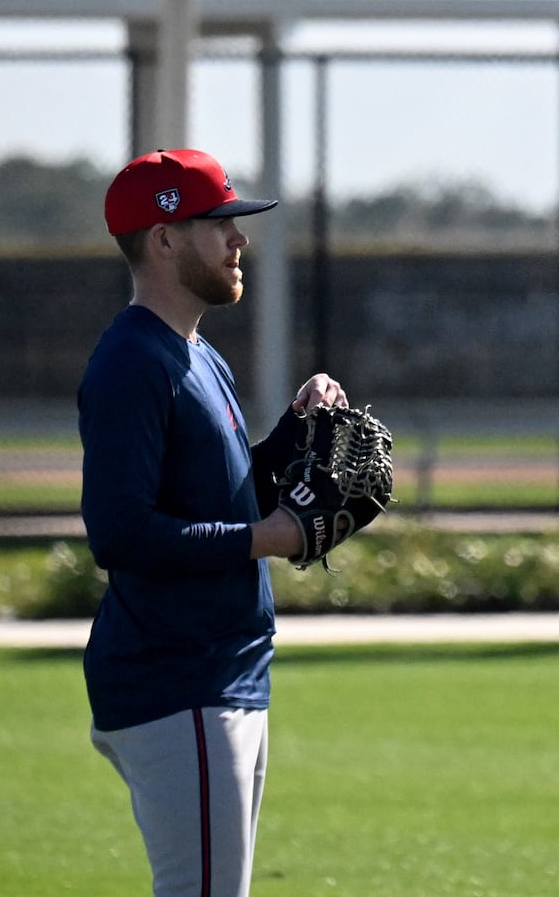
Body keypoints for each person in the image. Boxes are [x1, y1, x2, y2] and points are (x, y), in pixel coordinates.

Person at [79, 148, 348, 897]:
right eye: (217, 223)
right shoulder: (134, 361)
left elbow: (224, 493)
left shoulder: (195, 354)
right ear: (163, 238)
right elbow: (121, 533)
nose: (239, 241)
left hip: (221, 672)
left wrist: (295, 432)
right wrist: (272, 536)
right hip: (178, 677)